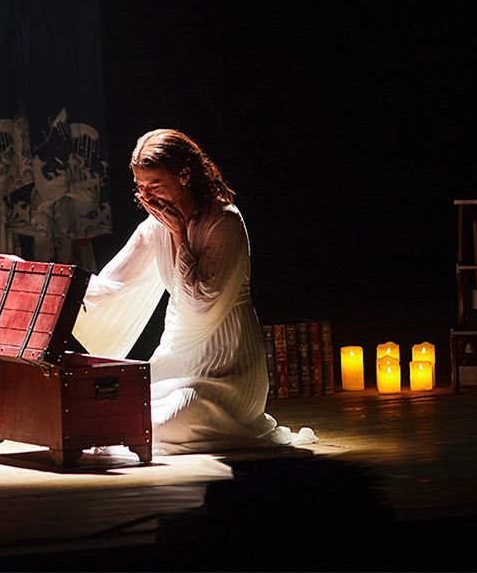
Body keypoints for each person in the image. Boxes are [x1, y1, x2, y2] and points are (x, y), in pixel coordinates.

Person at [71, 128, 317, 454]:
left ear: (184, 175)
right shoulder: (154, 225)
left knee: (160, 424)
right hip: (177, 357)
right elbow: (111, 286)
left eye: (154, 185)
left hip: (227, 366)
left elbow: (201, 305)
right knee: (119, 413)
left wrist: (179, 234)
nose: (146, 197)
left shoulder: (224, 221)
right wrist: (51, 283)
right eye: (139, 187)